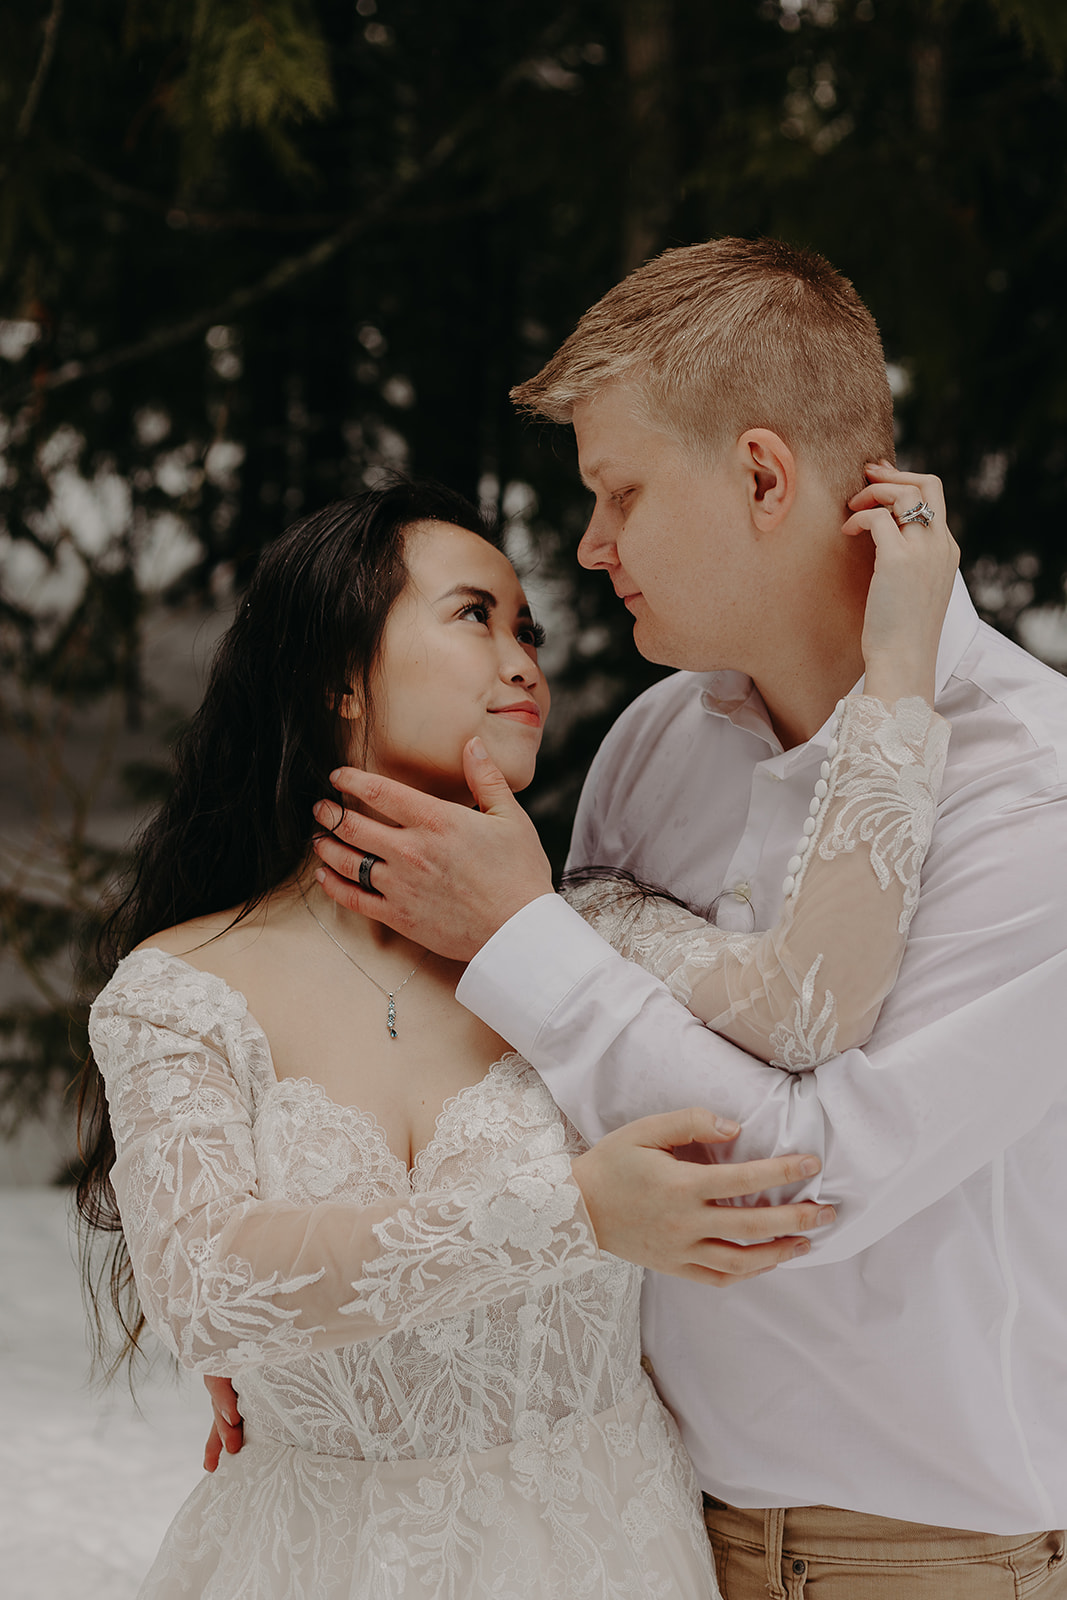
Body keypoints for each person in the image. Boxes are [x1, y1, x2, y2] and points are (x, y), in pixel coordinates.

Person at [306, 240, 1067, 1597]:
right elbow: (549, 1119)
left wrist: (522, 938)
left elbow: (803, 1188)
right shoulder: (654, 745)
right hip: (637, 1527)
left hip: (926, 1563)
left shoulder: (1032, 788)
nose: (590, 545)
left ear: (762, 477)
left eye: (619, 491)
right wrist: (322, 1352)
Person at [80, 467, 952, 1600]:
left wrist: (897, 673)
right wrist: (575, 1212)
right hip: (303, 1559)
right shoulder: (179, 986)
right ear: (339, 674)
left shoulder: (583, 937)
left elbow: (813, 1002)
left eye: (527, 630)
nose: (522, 660)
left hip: (603, 1549)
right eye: (473, 616)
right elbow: (203, 1290)